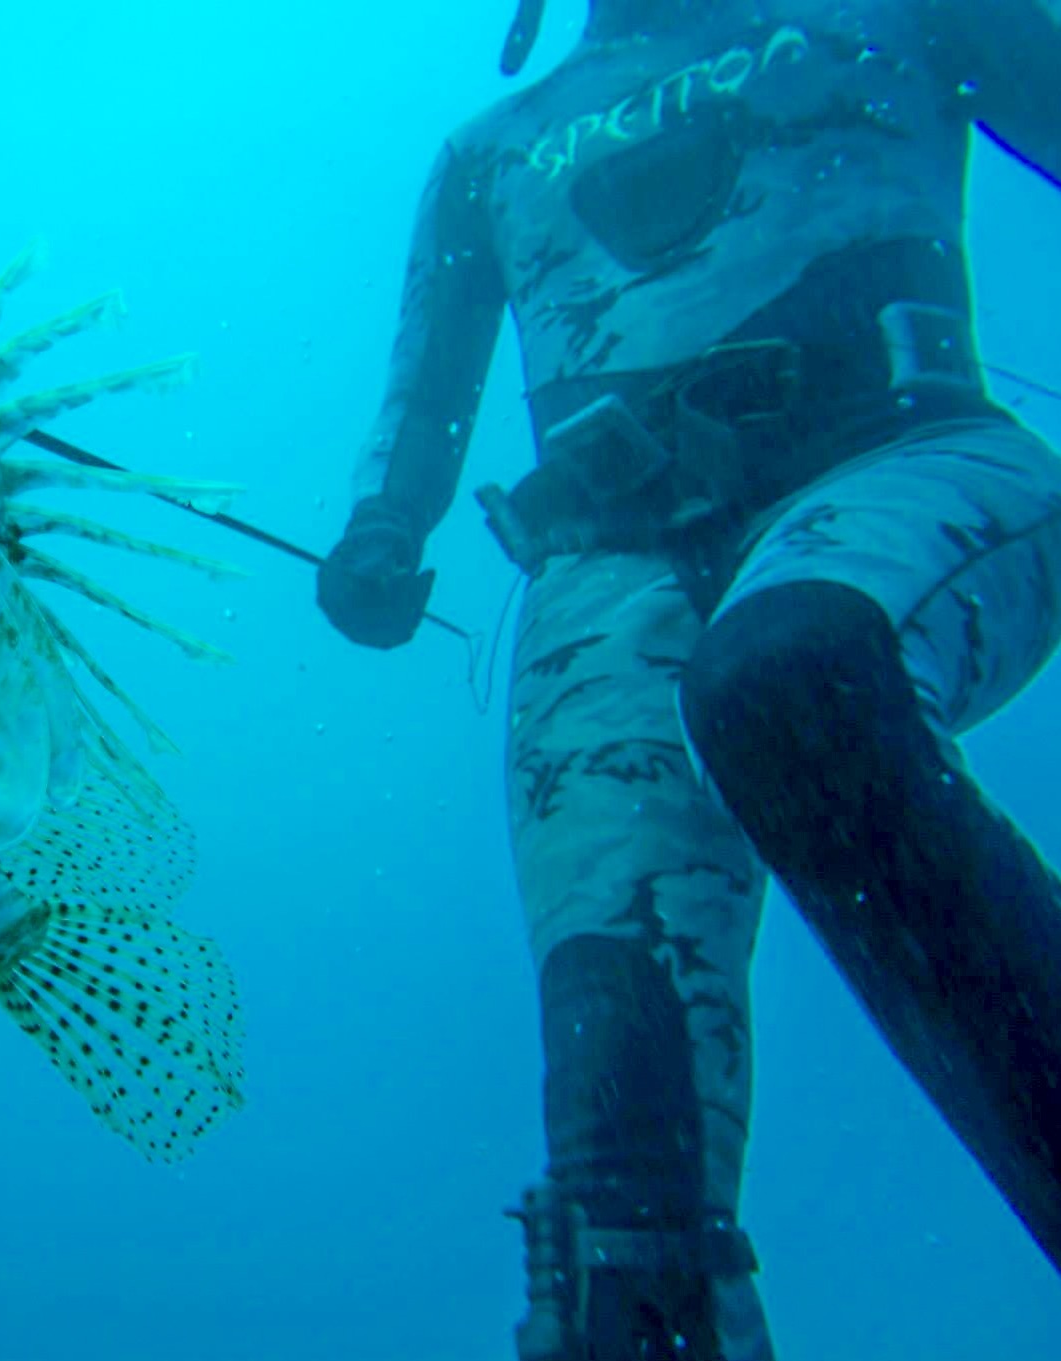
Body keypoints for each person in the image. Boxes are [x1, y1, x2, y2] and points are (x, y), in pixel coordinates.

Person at [316, 1, 1061, 1356]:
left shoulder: (913, 9)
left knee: (785, 679)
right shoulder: (489, 148)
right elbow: (418, 398)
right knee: (614, 1131)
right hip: (609, 561)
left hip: (900, 459)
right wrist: (379, 529)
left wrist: (386, 527)